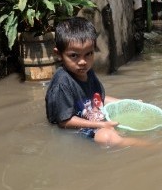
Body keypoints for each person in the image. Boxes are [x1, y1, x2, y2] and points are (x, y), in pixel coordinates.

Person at [45, 16, 148, 148]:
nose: (83, 62)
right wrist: (101, 125)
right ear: (58, 54)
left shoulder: (87, 72)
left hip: (94, 120)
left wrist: (126, 103)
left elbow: (98, 98)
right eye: (74, 56)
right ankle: (155, 146)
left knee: (135, 112)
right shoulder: (62, 84)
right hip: (76, 130)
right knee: (107, 137)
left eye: (88, 54)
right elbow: (64, 122)